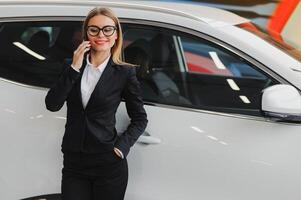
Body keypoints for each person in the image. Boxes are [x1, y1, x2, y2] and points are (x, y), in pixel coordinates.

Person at [45, 7, 148, 200]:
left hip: (108, 163)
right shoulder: (71, 65)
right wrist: (74, 67)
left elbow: (140, 119)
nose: (101, 35)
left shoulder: (124, 72)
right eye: (94, 30)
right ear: (86, 34)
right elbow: (52, 104)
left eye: (107, 29)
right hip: (74, 163)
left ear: (116, 34)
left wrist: (121, 148)